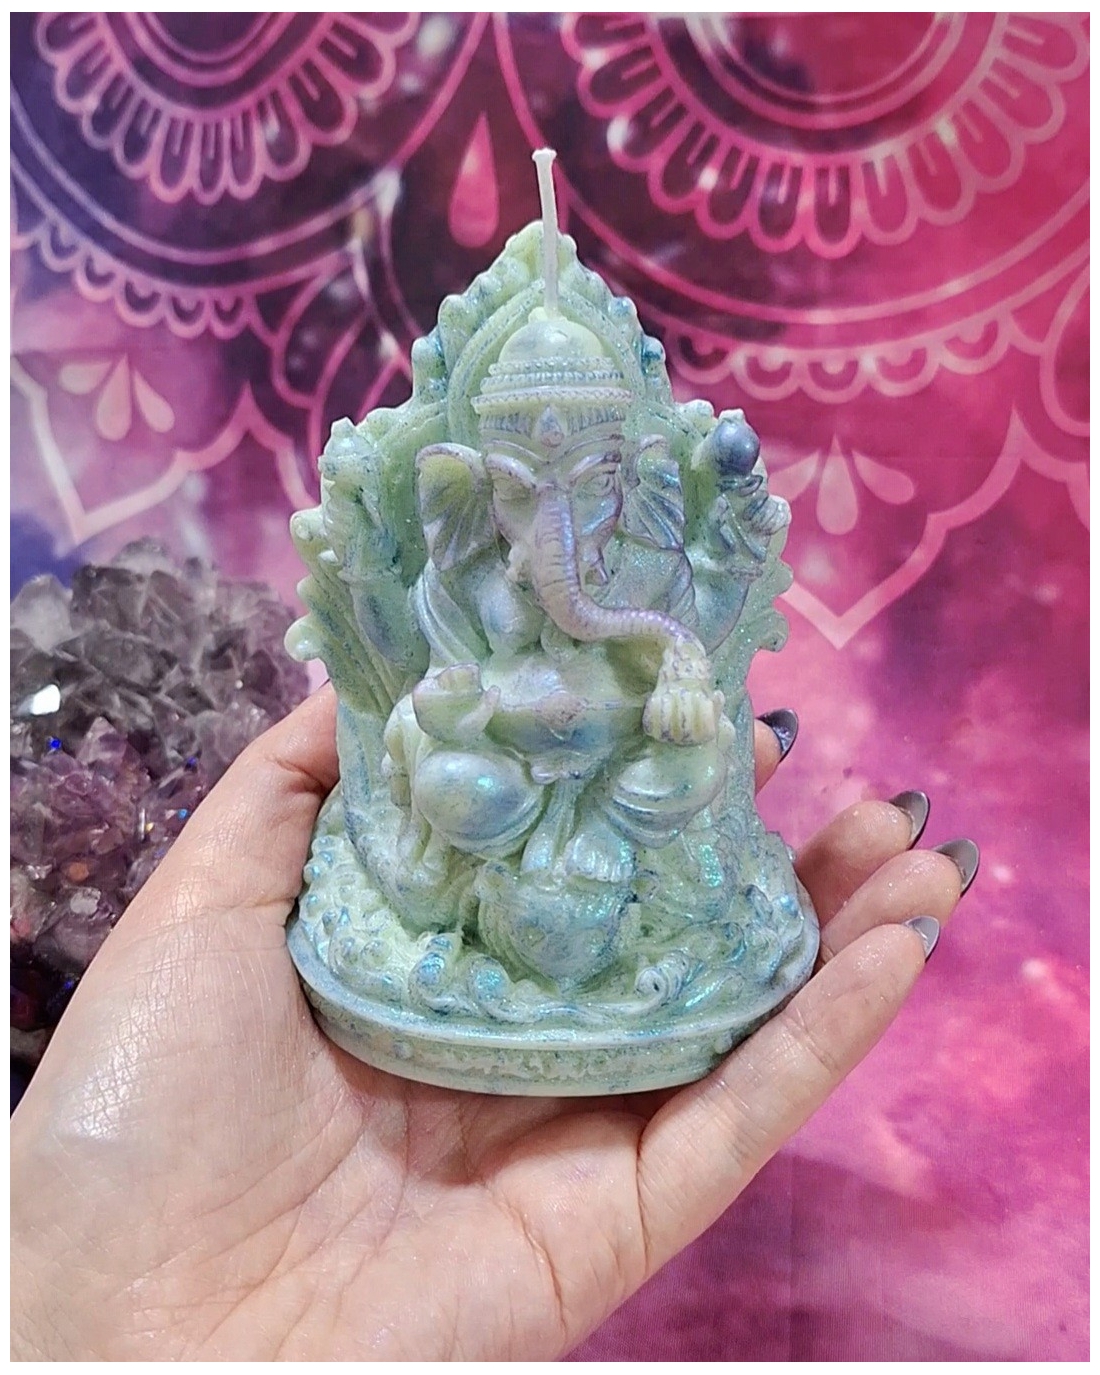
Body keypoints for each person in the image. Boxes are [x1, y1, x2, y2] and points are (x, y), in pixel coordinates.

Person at [10, 686, 974, 1361]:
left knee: (673, 765)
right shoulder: (468, 561)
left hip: (616, 797)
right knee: (462, 781)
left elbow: (669, 674)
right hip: (487, 782)